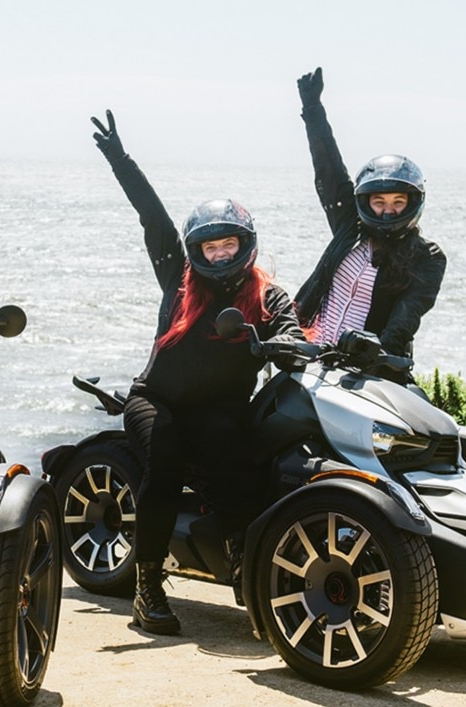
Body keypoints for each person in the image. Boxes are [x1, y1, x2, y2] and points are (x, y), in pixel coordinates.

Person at [90, 110, 304, 635]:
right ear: (196, 251)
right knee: (163, 462)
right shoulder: (178, 276)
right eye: (211, 246)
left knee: (236, 461)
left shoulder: (268, 294)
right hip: (156, 400)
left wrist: (288, 346)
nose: (221, 254)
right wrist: (120, 159)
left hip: (219, 410)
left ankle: (244, 571)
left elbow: (293, 334)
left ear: (245, 244)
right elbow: (151, 214)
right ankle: (147, 587)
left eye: (229, 244)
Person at [293, 67, 446, 381]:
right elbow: (330, 171)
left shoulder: (427, 256)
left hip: (367, 372)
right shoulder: (350, 229)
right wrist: (313, 109)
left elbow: (406, 317)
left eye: (398, 202)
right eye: (379, 201)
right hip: (312, 356)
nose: (388, 211)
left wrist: (376, 352)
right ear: (365, 202)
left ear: (413, 203)